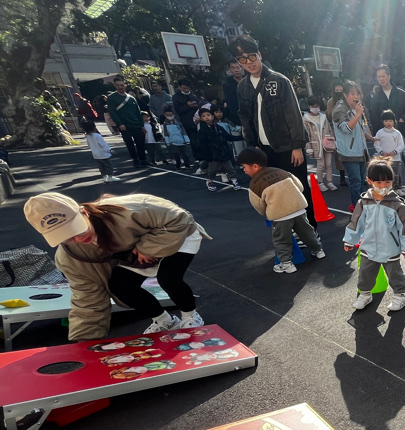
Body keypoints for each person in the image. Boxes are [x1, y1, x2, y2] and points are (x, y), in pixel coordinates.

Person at [22, 192, 209, 340]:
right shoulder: (71, 255)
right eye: (67, 237)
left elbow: (180, 219)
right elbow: (87, 296)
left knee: (168, 278)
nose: (78, 239)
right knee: (119, 285)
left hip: (178, 233)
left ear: (84, 212)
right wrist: (85, 342)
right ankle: (165, 321)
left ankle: (191, 317)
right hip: (136, 248)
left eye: (77, 229)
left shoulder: (128, 210)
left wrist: (148, 248)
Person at [230, 35, 317, 232]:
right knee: (275, 192)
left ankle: (311, 231)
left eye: (252, 56)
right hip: (263, 150)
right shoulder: (242, 87)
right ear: (238, 62)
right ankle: (289, 232)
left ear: (259, 54)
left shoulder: (279, 80)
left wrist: (297, 146)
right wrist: (252, 147)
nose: (249, 62)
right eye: (242, 59)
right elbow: (244, 117)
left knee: (299, 190)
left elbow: (293, 114)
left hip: (287, 147)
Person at [238, 147, 325, 274]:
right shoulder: (282, 172)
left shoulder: (254, 184)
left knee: (282, 239)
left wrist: (266, 213)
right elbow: (299, 186)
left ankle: (286, 264)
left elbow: (258, 205)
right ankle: (318, 250)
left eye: (244, 167)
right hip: (298, 209)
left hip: (280, 215)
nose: (244, 170)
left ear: (255, 166)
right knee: (307, 232)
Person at [344, 158, 405, 312]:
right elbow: (356, 222)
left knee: (394, 273)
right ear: (369, 181)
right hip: (368, 246)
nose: (383, 186)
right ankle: (365, 294)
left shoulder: (397, 204)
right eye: (379, 182)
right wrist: (350, 240)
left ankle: (400, 295)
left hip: (390, 247)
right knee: (365, 273)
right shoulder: (364, 202)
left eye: (387, 182)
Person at [332, 79, 372, 211]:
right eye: (352, 93)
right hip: (349, 152)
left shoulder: (356, 107)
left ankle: (361, 205)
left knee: (362, 181)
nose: (356, 96)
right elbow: (346, 128)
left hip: (360, 150)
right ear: (345, 94)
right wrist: (358, 114)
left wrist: (371, 138)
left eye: (358, 93)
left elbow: (362, 127)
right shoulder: (339, 110)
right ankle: (358, 208)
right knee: (356, 182)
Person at [195, 108, 242, 191]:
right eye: (204, 116)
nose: (207, 117)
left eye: (208, 115)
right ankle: (210, 181)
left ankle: (235, 181)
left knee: (230, 168)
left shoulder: (219, 128)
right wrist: (207, 156)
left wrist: (242, 137)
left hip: (224, 152)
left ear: (212, 116)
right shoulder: (202, 131)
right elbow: (202, 144)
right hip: (213, 154)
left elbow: (228, 137)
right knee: (213, 170)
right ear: (201, 119)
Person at [107, 75, 149, 168]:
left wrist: (141, 125)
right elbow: (112, 112)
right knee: (129, 143)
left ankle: (143, 159)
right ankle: (135, 159)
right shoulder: (112, 97)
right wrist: (119, 124)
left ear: (125, 85)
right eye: (118, 85)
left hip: (136, 124)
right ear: (115, 85)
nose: (120, 87)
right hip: (124, 125)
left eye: (122, 85)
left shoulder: (131, 98)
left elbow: (138, 112)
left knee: (140, 142)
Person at [367, 64, 405, 140]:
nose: (381, 79)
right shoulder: (376, 97)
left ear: (389, 76)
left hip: (400, 133)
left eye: (383, 76)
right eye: (379, 77)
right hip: (384, 136)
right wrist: (376, 137)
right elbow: (374, 119)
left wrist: (403, 118)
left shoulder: (401, 93)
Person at [302, 97, 337, 192]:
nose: (315, 108)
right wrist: (309, 148)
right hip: (316, 145)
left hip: (327, 144)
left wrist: (333, 142)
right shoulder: (306, 119)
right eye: (313, 106)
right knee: (320, 165)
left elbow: (330, 130)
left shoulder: (323, 117)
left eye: (317, 106)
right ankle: (320, 183)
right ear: (309, 106)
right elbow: (306, 135)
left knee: (328, 164)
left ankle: (329, 182)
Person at [374, 109, 405, 192]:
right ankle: (387, 190)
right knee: (385, 175)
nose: (388, 123)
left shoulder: (397, 133)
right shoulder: (380, 132)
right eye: (386, 121)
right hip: (384, 159)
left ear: (394, 121)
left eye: (390, 121)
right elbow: (377, 144)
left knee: (397, 175)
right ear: (382, 121)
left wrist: (394, 152)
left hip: (396, 158)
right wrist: (382, 152)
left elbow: (401, 145)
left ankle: (397, 189)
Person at [172, 79, 201, 156]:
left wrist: (196, 106)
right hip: (186, 122)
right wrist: (187, 106)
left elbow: (200, 106)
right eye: (184, 88)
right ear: (179, 87)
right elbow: (178, 110)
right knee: (193, 140)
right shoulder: (176, 97)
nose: (186, 90)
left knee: (200, 139)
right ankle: (196, 156)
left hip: (198, 121)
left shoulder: (193, 96)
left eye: (187, 88)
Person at [222, 61, 246, 125]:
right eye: (233, 68)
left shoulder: (249, 81)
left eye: (238, 67)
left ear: (243, 68)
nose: (236, 70)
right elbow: (231, 103)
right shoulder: (227, 85)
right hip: (238, 117)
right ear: (230, 70)